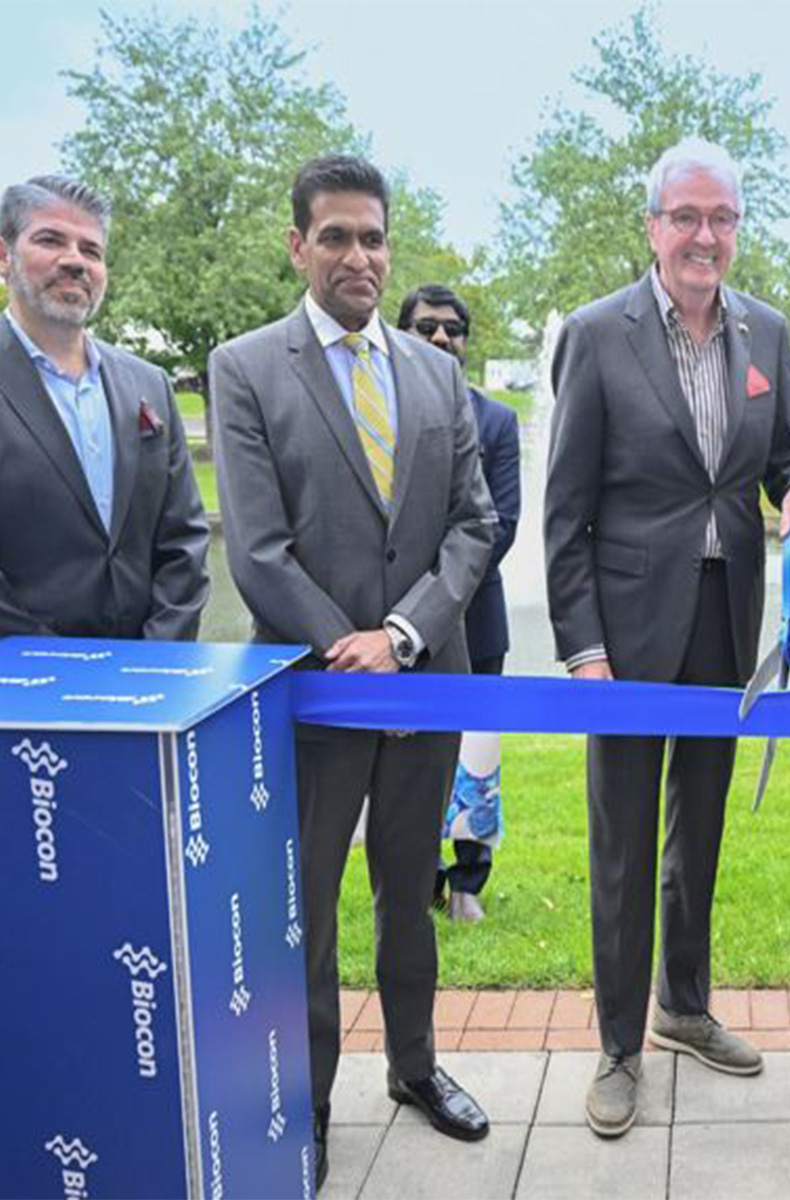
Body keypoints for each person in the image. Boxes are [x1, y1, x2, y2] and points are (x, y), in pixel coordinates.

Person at [210, 155, 497, 1190]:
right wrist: (352, 646)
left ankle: (415, 1068)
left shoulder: (436, 374)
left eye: (372, 236)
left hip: (424, 685)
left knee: (406, 892)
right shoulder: (244, 367)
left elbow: (475, 524)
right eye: (334, 236)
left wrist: (405, 638)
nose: (358, 256)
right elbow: (257, 549)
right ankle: (310, 1097)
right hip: (316, 693)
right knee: (310, 908)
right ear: (297, 245)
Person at [543, 138, 790, 1138]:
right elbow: (564, 509)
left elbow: (784, 450)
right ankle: (618, 1045)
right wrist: (583, 648)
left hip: (725, 618)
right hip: (623, 628)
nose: (706, 236)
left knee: (695, 832)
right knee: (621, 847)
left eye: (723, 218)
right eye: (687, 217)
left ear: (738, 228)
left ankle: (683, 1007)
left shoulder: (767, 332)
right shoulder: (596, 333)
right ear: (653, 224)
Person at [0, 174, 207, 638]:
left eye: (91, 250)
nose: (74, 260)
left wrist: (156, 655)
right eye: (50, 240)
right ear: (4, 257)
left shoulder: (150, 385)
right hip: (17, 688)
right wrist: (62, 667)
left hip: (148, 683)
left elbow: (184, 540)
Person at [397, 284, 521, 925]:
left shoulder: (496, 422)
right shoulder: (381, 414)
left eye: (453, 328)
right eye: (426, 328)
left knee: (475, 755)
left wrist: (436, 600)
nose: (442, 338)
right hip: (391, 627)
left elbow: (499, 526)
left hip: (475, 623)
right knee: (411, 761)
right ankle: (419, 879)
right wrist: (406, 613)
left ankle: (469, 879)